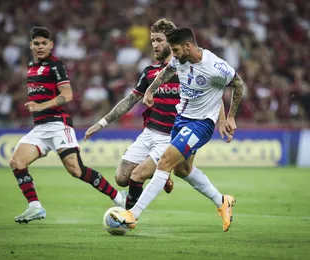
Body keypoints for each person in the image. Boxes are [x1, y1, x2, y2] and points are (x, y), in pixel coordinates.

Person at [84, 19, 233, 210]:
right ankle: (162, 177)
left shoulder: (188, 69)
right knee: (122, 178)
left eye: (159, 40)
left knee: (139, 175)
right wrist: (101, 123)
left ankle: (128, 216)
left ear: (171, 42)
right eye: (152, 40)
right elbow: (130, 100)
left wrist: (223, 119)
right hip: (149, 132)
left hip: (172, 136)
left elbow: (213, 94)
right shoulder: (150, 72)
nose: (154, 45)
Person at [111, 27, 243, 232]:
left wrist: (230, 117)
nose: (173, 54)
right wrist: (150, 90)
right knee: (183, 170)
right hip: (181, 120)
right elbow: (167, 71)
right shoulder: (180, 60)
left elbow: (238, 83)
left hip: (201, 124)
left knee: (164, 162)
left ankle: (132, 214)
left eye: (175, 49)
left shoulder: (216, 66)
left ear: (188, 46)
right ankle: (222, 201)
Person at [10, 26, 126, 224]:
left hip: (57, 124)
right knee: (16, 162)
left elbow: (67, 95)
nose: (40, 47)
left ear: (51, 45)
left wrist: (41, 106)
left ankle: (118, 197)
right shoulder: (30, 66)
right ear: (31, 45)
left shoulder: (56, 65)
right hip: (40, 128)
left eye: (44, 43)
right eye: (36, 43)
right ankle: (35, 207)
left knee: (76, 170)